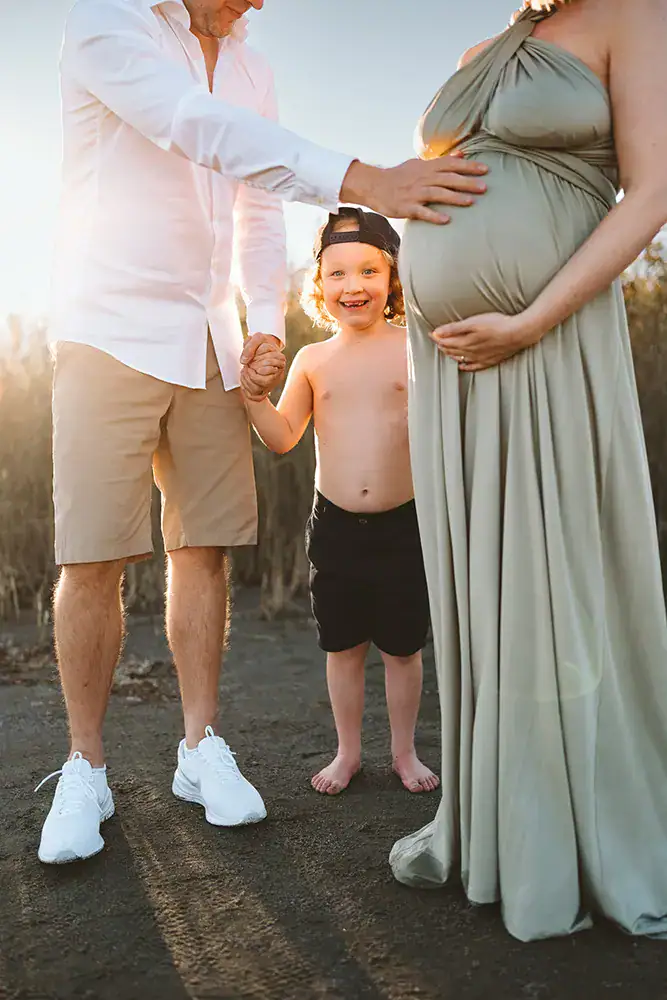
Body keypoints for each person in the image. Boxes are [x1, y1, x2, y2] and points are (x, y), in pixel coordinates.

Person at [37, 0, 489, 865]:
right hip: (105, 324)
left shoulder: (253, 62)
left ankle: (198, 751)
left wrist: (262, 324)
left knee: (204, 547)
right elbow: (193, 126)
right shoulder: (107, 19)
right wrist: (363, 180)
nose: (257, 4)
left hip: (207, 335)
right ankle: (85, 767)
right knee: (91, 555)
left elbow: (252, 205)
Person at [389, 0, 667, 941]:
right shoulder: (482, 49)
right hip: (451, 368)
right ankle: (501, 822)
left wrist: (532, 317)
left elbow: (654, 190)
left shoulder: (637, 15)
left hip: (545, 338)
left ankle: (570, 830)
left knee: (552, 573)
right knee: (488, 585)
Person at [244, 209, 440, 797]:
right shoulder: (312, 360)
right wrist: (254, 397)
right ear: (319, 284)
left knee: (403, 650)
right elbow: (281, 437)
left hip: (404, 525)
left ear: (393, 281)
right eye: (337, 274)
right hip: (335, 530)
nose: (352, 286)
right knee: (344, 647)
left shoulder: (414, 348)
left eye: (368, 272)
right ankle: (348, 752)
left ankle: (404, 752)